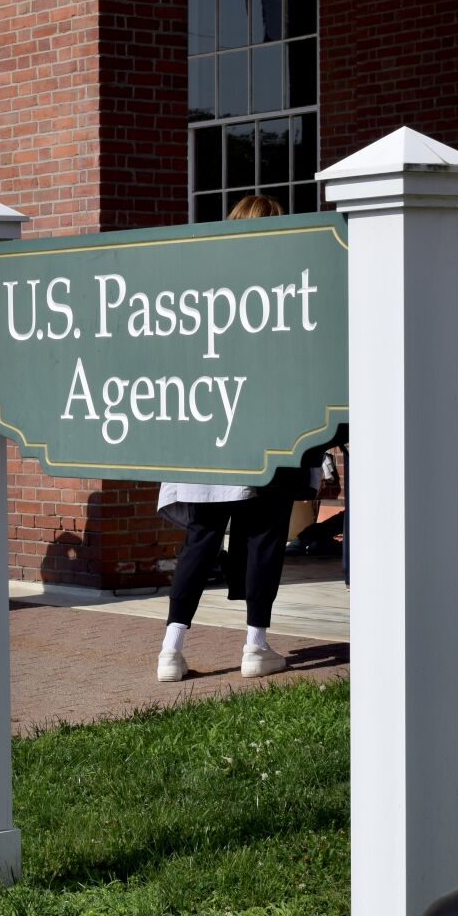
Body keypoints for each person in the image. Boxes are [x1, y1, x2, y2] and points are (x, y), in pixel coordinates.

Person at [155, 193, 307, 683]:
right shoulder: (281, 286)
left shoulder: (203, 284)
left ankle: (170, 649)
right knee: (265, 535)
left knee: (199, 538)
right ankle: (255, 644)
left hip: (207, 424)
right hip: (262, 424)